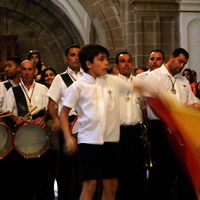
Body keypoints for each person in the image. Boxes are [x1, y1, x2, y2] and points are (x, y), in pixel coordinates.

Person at [59, 44, 139, 200]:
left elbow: (135, 86)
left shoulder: (112, 81)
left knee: (112, 185)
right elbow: (63, 113)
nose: (105, 63)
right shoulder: (78, 87)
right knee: (90, 185)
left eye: (106, 59)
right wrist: (68, 138)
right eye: (101, 59)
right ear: (89, 64)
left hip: (111, 140)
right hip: (89, 141)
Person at [144, 48, 197, 200]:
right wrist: (169, 121)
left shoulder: (183, 80)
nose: (181, 66)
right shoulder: (154, 76)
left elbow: (192, 102)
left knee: (182, 167)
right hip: (160, 127)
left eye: (184, 63)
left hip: (180, 128)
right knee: (163, 168)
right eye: (180, 61)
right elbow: (153, 102)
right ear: (171, 57)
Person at [2, 59, 50, 200]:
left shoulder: (43, 89)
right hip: (21, 139)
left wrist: (44, 118)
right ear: (20, 71)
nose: (27, 72)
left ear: (35, 71)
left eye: (30, 69)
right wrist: (15, 118)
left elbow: (50, 110)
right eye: (24, 69)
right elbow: (6, 111)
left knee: (41, 178)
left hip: (40, 137)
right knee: (22, 179)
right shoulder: (13, 90)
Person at [46, 44, 83, 200]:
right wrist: (56, 120)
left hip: (86, 125)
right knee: (66, 168)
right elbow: (51, 104)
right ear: (66, 58)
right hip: (67, 124)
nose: (75, 58)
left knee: (84, 167)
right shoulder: (60, 79)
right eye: (72, 55)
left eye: (78, 55)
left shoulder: (87, 76)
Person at [114, 52, 146, 199]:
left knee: (136, 169)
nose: (126, 64)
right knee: (120, 170)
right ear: (117, 65)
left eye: (128, 61)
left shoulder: (139, 83)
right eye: (122, 61)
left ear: (132, 64)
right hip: (117, 132)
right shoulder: (111, 83)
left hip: (135, 131)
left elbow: (144, 108)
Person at [0, 56, 21, 199]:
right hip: (7, 130)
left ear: (18, 68)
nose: (6, 69)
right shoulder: (3, 86)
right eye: (5, 66)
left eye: (9, 66)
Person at [39, 66, 59, 200]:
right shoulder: (42, 90)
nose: (49, 77)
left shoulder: (59, 88)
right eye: (46, 75)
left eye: (51, 74)